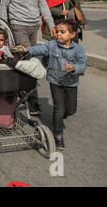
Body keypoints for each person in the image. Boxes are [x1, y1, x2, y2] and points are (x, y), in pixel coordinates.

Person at [0, 0, 57, 115]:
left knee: (22, 61)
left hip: (34, 27)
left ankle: (14, 91)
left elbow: (43, 5)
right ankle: (33, 102)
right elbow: (4, 6)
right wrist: (3, 27)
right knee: (30, 60)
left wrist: (50, 23)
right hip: (18, 26)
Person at [22, 19, 86, 150]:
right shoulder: (52, 45)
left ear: (72, 34)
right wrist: (26, 50)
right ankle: (58, 135)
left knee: (71, 109)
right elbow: (39, 49)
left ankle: (61, 116)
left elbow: (82, 64)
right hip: (55, 81)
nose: (58, 34)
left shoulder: (79, 49)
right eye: (57, 32)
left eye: (62, 32)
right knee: (59, 108)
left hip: (71, 83)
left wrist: (74, 68)